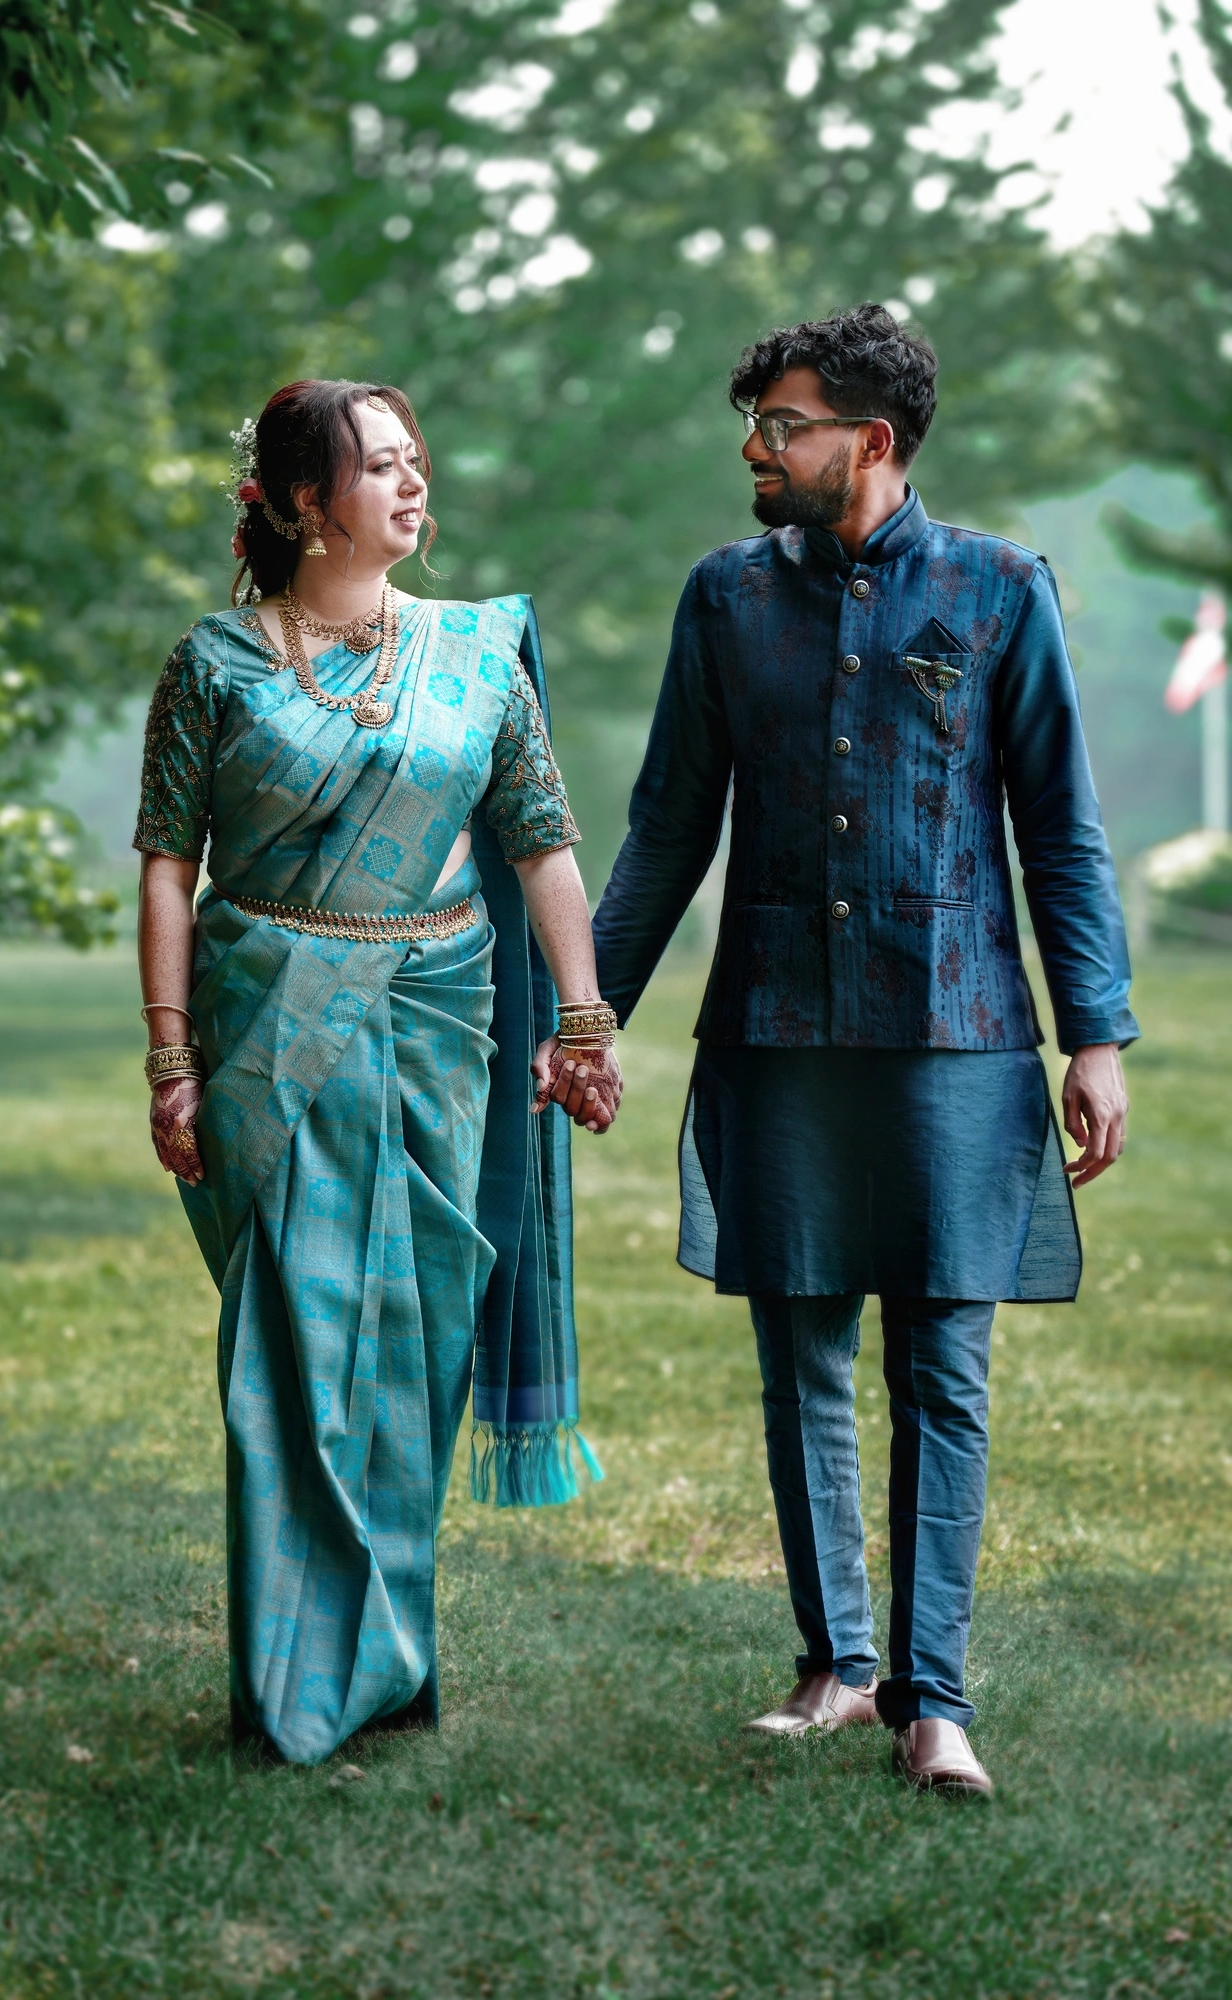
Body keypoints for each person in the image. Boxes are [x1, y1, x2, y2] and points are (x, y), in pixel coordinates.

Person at [590, 304, 1135, 1796]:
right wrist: (592, 1017)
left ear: (871, 443)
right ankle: (835, 1669)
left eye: (784, 425)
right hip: (775, 1026)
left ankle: (934, 1700)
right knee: (803, 1355)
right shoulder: (723, 600)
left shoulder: (1001, 589)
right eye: (754, 424)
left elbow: (1062, 836)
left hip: (955, 1034)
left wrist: (1095, 1034)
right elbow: (665, 831)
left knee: (944, 1369)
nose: (756, 450)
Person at [134, 378, 621, 1766]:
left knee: (413, 1339)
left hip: (439, 1024)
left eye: (419, 463)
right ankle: (292, 1681)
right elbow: (171, 868)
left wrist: (583, 1023)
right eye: (382, 468)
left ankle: (392, 1658)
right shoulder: (216, 666)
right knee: (293, 1345)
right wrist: (170, 1055)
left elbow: (542, 849)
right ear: (301, 502)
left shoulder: (479, 656)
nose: (415, 488)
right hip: (271, 1023)